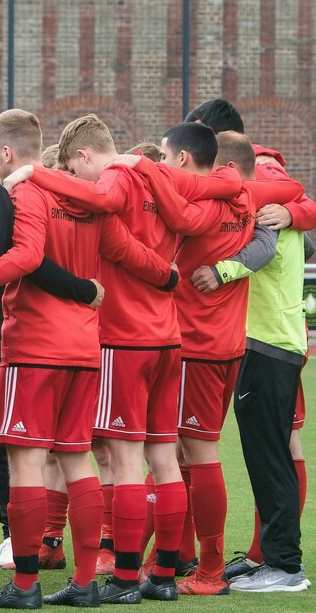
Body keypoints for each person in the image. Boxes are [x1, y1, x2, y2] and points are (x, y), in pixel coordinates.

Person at [0, 109, 176, 608]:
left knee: (28, 463)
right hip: (84, 350)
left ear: (7, 154)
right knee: (79, 463)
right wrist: (171, 278)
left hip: (33, 347)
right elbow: (131, 253)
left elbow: (28, 259)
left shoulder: (26, 192)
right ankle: (85, 581)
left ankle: (27, 586)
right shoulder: (89, 203)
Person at [10, 113, 241, 601]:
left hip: (124, 337)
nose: (75, 181)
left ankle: (126, 577)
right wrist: (169, 276)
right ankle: (162, 576)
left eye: (74, 169)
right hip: (168, 336)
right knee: (164, 456)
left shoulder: (116, 177)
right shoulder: (161, 175)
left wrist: (34, 173)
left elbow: (103, 204)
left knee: (125, 458)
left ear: (84, 155)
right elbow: (226, 189)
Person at [190, 134, 311, 592]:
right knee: (267, 453)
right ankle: (273, 557)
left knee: (270, 455)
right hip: (268, 341)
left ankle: (285, 567)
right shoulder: (274, 200)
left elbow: (260, 253)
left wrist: (221, 271)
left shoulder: (262, 202)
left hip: (267, 343)